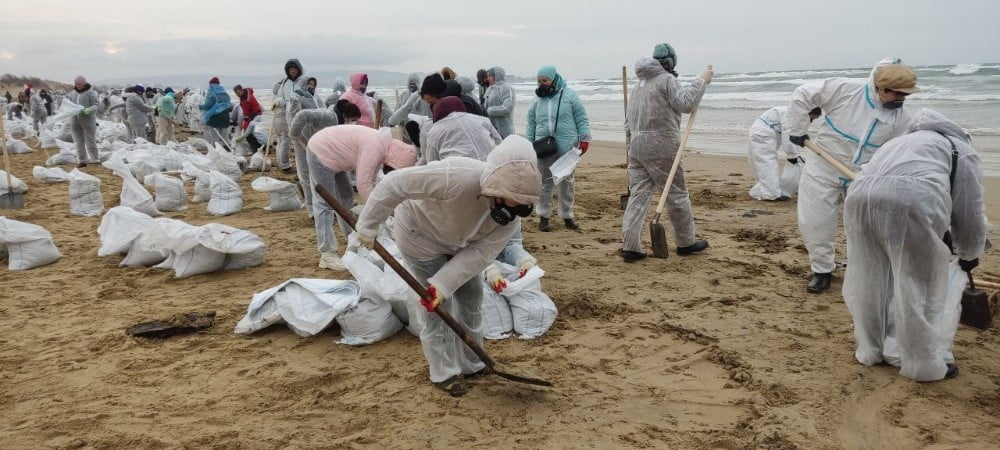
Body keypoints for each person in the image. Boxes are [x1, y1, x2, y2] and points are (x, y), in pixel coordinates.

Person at [354, 135, 542, 396]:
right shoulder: (458, 176)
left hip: (463, 243)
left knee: (472, 295)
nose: (513, 208)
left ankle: (472, 361)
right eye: (508, 199)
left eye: (520, 204)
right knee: (438, 307)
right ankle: (443, 372)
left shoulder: (511, 219)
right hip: (420, 235)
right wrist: (368, 225)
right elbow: (395, 184)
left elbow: (480, 254)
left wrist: (444, 283)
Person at [842, 108, 985, 382]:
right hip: (909, 201)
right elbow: (969, 209)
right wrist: (969, 253)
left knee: (872, 278)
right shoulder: (961, 149)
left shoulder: (898, 142)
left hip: (859, 199)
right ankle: (922, 364)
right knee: (918, 283)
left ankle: (871, 349)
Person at [786, 59, 916, 293]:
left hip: (864, 174)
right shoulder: (846, 90)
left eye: (905, 95)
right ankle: (822, 269)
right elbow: (803, 94)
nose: (901, 99)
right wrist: (797, 129)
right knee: (816, 220)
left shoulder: (901, 119)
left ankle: (865, 271)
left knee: (865, 225)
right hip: (824, 163)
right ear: (880, 88)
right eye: (896, 94)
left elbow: (896, 153)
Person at [620, 46, 712, 261]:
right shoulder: (666, 80)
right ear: (670, 62)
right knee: (677, 194)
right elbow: (686, 103)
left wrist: (630, 148)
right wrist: (701, 80)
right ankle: (686, 242)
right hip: (662, 145)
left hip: (636, 146)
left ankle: (631, 246)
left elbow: (627, 123)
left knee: (638, 195)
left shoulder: (638, 86)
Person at [305, 125, 417, 269]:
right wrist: (375, 214)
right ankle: (327, 254)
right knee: (325, 203)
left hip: (337, 156)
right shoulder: (375, 148)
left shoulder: (384, 146)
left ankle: (351, 237)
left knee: (346, 197)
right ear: (395, 161)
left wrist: (386, 207)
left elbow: (373, 181)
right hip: (320, 151)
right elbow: (363, 184)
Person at [525, 65, 591, 232]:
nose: (542, 84)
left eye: (545, 80)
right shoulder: (536, 100)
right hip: (543, 146)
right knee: (544, 182)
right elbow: (531, 124)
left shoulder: (569, 96)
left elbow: (581, 118)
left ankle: (567, 216)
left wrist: (585, 139)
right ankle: (544, 216)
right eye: (539, 81)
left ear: (554, 79)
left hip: (567, 145)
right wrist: (528, 143)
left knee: (566, 183)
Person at [289, 102, 350, 218]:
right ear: (344, 115)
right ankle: (313, 212)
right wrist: (294, 134)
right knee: (307, 177)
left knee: (326, 178)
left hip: (320, 147)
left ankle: (333, 208)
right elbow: (302, 115)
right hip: (303, 142)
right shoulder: (327, 116)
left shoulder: (339, 121)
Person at [747, 106, 821, 201]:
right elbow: (788, 134)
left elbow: (793, 133)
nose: (811, 121)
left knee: (760, 162)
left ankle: (765, 189)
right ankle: (771, 194)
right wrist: (792, 155)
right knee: (767, 162)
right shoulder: (792, 115)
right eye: (812, 118)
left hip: (762, 131)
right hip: (763, 134)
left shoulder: (793, 112)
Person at [422, 97, 502, 164]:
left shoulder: (435, 130)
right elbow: (500, 143)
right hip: (492, 166)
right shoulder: (482, 120)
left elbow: (432, 162)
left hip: (461, 175)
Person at [273, 59, 308, 172]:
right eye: (290, 69)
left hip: (299, 114)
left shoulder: (302, 82)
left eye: (294, 69)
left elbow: (307, 97)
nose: (292, 71)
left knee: (296, 140)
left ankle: (294, 165)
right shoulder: (284, 83)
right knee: (285, 141)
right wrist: (279, 102)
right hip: (285, 116)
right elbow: (280, 98)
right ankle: (284, 165)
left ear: (299, 69)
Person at [68, 75, 101, 167]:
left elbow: (96, 104)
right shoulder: (73, 93)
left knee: (90, 140)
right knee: (78, 140)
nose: (78, 86)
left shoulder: (90, 93)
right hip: (75, 119)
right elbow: (69, 104)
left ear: (84, 84)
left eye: (80, 84)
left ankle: (95, 159)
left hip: (87, 119)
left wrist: (88, 109)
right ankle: (82, 160)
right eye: (77, 84)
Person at [199, 77, 233, 147]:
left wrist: (198, 106)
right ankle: (228, 151)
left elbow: (207, 106)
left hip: (214, 119)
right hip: (225, 118)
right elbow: (229, 106)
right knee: (225, 136)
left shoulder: (211, 92)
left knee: (214, 138)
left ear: (211, 84)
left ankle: (216, 153)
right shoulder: (224, 92)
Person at [483, 66, 516, 138]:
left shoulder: (506, 88)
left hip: (504, 128)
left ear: (497, 75)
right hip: (491, 128)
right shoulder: (490, 89)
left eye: (490, 76)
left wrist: (489, 111)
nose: (488, 78)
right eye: (487, 76)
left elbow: (507, 108)